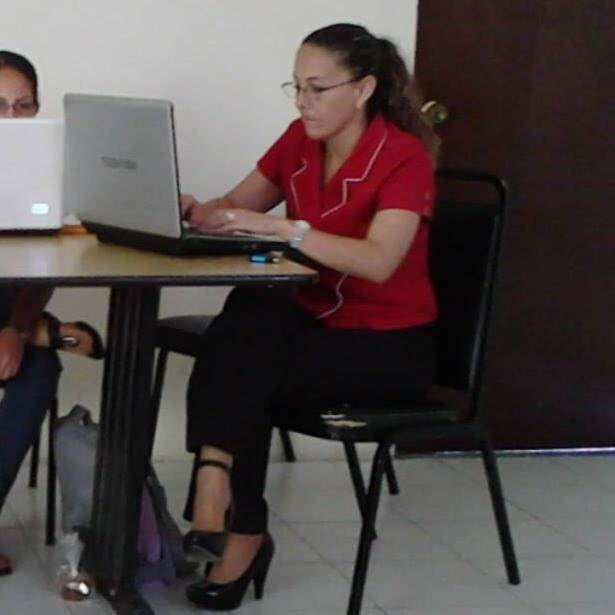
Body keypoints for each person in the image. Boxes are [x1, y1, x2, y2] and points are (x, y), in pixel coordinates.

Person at [180, 23, 440, 610]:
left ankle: (233, 513)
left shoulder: (403, 157)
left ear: (364, 89)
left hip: (388, 345)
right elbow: (235, 207)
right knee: (251, 310)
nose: (303, 102)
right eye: (296, 87)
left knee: (245, 369)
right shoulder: (301, 139)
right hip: (313, 324)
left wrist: (288, 230)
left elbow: (379, 261)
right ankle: (221, 489)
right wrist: (195, 210)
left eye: (318, 89)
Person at [0, 50, 104, 577]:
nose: (11, 119)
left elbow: (46, 261)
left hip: (7, 309)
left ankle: (45, 337)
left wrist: (17, 328)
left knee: (39, 368)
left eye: (23, 106)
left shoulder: (48, 168)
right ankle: (53, 333)